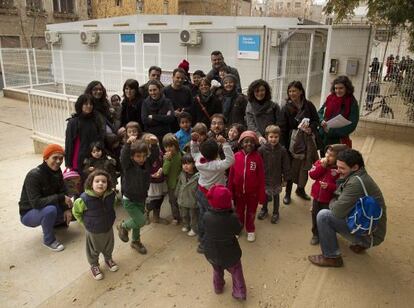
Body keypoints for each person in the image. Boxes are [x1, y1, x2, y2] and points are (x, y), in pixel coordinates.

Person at [308, 149, 387, 267]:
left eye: (342, 168)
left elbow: (337, 212)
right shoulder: (360, 175)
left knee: (323, 215)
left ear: (355, 167)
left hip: (371, 235)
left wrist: (332, 200)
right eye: (338, 167)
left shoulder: (355, 183)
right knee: (343, 205)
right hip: (373, 228)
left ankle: (331, 257)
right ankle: (360, 244)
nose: (338, 171)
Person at [19, 144, 73, 251]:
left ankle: (56, 224)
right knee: (50, 210)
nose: (58, 161)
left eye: (61, 158)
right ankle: (49, 240)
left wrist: (67, 209)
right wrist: (61, 198)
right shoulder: (34, 175)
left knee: (73, 210)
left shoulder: (57, 171)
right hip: (29, 213)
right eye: (55, 158)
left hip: (46, 205)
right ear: (46, 158)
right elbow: (36, 203)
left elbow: (62, 191)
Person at [191, 132, 235, 253]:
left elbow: (194, 152)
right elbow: (231, 160)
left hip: (200, 192)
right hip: (213, 197)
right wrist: (225, 143)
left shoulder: (199, 160)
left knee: (202, 216)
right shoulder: (217, 165)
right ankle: (212, 241)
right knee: (213, 219)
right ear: (216, 154)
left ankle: (202, 242)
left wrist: (194, 142)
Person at [72, 170, 118, 280]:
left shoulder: (111, 196)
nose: (100, 183)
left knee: (109, 245)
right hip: (92, 230)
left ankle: (108, 259)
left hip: (108, 227)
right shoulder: (83, 199)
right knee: (93, 249)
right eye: (97, 181)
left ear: (108, 184)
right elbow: (76, 212)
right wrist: (84, 223)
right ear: (90, 183)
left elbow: (113, 205)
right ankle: (94, 265)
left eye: (104, 181)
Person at [117, 135, 159, 254]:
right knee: (141, 220)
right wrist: (127, 144)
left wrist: (154, 144)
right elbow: (123, 157)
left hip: (141, 198)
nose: (141, 159)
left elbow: (155, 155)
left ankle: (136, 241)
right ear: (132, 156)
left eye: (144, 156)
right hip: (129, 199)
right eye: (138, 156)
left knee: (137, 222)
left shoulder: (147, 163)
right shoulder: (128, 165)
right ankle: (123, 226)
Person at [204, 184, 246, 301]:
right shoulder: (232, 218)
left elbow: (205, 229)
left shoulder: (206, 216)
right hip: (230, 253)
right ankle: (239, 292)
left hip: (212, 252)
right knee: (236, 270)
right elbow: (238, 229)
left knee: (217, 269)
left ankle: (218, 287)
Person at [280, 81, 319, 204]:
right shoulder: (286, 108)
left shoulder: (308, 105)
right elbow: (283, 128)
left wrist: (310, 128)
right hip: (292, 143)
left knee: (304, 167)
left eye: (294, 91)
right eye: (290, 91)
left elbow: (316, 120)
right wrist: (285, 146)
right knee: (291, 168)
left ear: (301, 91)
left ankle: (300, 189)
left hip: (306, 141)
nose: (292, 93)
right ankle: (287, 193)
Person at [228, 131, 266, 242]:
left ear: (255, 144)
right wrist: (230, 193)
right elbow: (231, 177)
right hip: (238, 193)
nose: (249, 144)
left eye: (251, 142)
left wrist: (261, 195)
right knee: (238, 212)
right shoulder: (235, 156)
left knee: (251, 212)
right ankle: (238, 229)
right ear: (241, 143)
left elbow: (261, 178)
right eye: (246, 141)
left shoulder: (257, 158)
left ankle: (250, 230)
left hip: (252, 194)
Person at [308, 144, 347, 245]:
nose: (327, 156)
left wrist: (329, 186)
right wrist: (322, 166)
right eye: (327, 153)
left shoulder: (339, 170)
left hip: (329, 200)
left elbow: (340, 187)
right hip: (317, 197)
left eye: (331, 155)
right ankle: (315, 234)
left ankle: (326, 234)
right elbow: (312, 175)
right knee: (315, 216)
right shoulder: (319, 162)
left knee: (327, 218)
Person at [257, 125, 291, 224]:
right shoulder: (261, 150)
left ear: (279, 137)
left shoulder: (282, 150)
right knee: (265, 195)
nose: (273, 139)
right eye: (271, 137)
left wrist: (285, 178)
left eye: (276, 137)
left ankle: (276, 212)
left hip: (277, 178)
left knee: (276, 196)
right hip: (264, 178)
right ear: (267, 136)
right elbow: (258, 164)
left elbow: (286, 165)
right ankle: (264, 209)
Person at [65, 94, 104, 178]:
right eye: (86, 104)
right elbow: (69, 143)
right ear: (80, 105)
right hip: (79, 159)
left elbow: (100, 138)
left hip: (94, 157)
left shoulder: (95, 120)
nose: (89, 106)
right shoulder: (73, 122)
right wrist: (68, 163)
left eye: (91, 104)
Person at [318, 76, 359, 155]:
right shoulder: (330, 98)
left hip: (340, 140)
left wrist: (331, 131)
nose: (338, 91)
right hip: (324, 138)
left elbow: (352, 124)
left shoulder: (352, 102)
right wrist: (321, 120)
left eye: (341, 88)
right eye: (336, 88)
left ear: (347, 88)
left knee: (338, 163)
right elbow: (320, 112)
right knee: (325, 160)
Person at [142, 133, 168, 225]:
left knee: (160, 199)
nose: (154, 144)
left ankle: (156, 217)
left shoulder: (160, 152)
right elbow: (143, 171)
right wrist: (151, 176)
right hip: (152, 182)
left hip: (161, 179)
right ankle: (146, 214)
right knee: (152, 201)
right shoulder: (145, 156)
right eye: (151, 142)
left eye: (155, 141)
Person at [245, 79, 281, 145]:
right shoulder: (249, 106)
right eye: (257, 91)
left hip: (272, 140)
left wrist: (272, 137)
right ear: (252, 92)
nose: (260, 93)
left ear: (266, 91)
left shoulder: (274, 106)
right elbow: (250, 124)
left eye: (262, 90)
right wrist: (259, 136)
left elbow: (278, 124)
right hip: (256, 140)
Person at [141, 80, 175, 145]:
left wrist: (153, 117)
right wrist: (163, 118)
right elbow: (144, 120)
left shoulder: (167, 102)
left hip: (165, 135)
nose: (153, 92)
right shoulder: (145, 103)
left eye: (154, 90)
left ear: (159, 90)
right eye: (150, 90)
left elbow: (171, 118)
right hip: (150, 135)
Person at [175, 153, 199, 236]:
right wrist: (176, 193)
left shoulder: (197, 176)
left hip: (193, 200)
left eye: (188, 163)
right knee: (184, 214)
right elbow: (179, 185)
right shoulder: (182, 174)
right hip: (182, 199)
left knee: (193, 216)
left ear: (194, 164)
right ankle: (186, 225)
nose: (186, 166)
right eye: (184, 164)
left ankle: (194, 229)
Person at [163, 68, 194, 132]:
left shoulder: (187, 90)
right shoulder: (165, 91)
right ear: (173, 77)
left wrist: (185, 111)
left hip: (185, 125)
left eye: (182, 78)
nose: (180, 80)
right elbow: (162, 107)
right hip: (170, 125)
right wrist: (173, 112)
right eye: (177, 77)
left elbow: (192, 106)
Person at [162, 133, 182, 224]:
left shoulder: (181, 155)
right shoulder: (165, 158)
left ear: (176, 146)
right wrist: (168, 160)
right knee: (173, 201)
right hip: (171, 184)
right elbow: (165, 171)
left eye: (171, 146)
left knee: (181, 200)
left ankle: (184, 216)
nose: (169, 149)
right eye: (166, 147)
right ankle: (176, 217)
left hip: (181, 183)